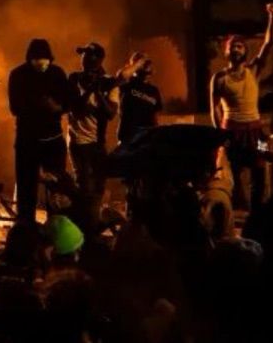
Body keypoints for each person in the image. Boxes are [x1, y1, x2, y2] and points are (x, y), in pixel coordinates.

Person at [210, 3, 273, 212]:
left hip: (256, 132)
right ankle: (241, 217)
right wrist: (220, 136)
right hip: (233, 132)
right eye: (233, 46)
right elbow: (214, 109)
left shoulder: (253, 70)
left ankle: (259, 214)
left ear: (245, 50)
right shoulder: (219, 78)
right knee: (238, 176)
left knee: (262, 168)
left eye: (240, 46)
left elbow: (269, 43)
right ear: (226, 51)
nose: (237, 49)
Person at [8, 39, 70, 222]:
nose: (41, 62)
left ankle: (56, 229)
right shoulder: (18, 74)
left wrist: (55, 107)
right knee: (26, 190)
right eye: (36, 59)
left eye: (44, 58)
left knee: (56, 191)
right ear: (30, 59)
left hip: (53, 140)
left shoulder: (57, 73)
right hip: (27, 141)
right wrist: (37, 105)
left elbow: (67, 104)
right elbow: (14, 107)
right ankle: (26, 230)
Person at [67, 42, 119, 236]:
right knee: (86, 187)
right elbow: (76, 107)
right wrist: (89, 89)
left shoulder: (109, 83)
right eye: (83, 55)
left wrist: (98, 91)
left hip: (97, 143)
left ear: (97, 60)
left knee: (98, 187)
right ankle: (87, 232)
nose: (83, 59)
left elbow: (110, 113)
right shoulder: (73, 79)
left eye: (87, 56)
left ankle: (91, 228)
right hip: (78, 142)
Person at [117, 52, 163, 145]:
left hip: (147, 139)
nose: (144, 64)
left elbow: (155, 116)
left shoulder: (154, 90)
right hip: (129, 138)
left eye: (146, 62)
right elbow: (121, 76)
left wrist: (156, 136)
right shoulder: (128, 84)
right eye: (140, 62)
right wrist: (139, 63)